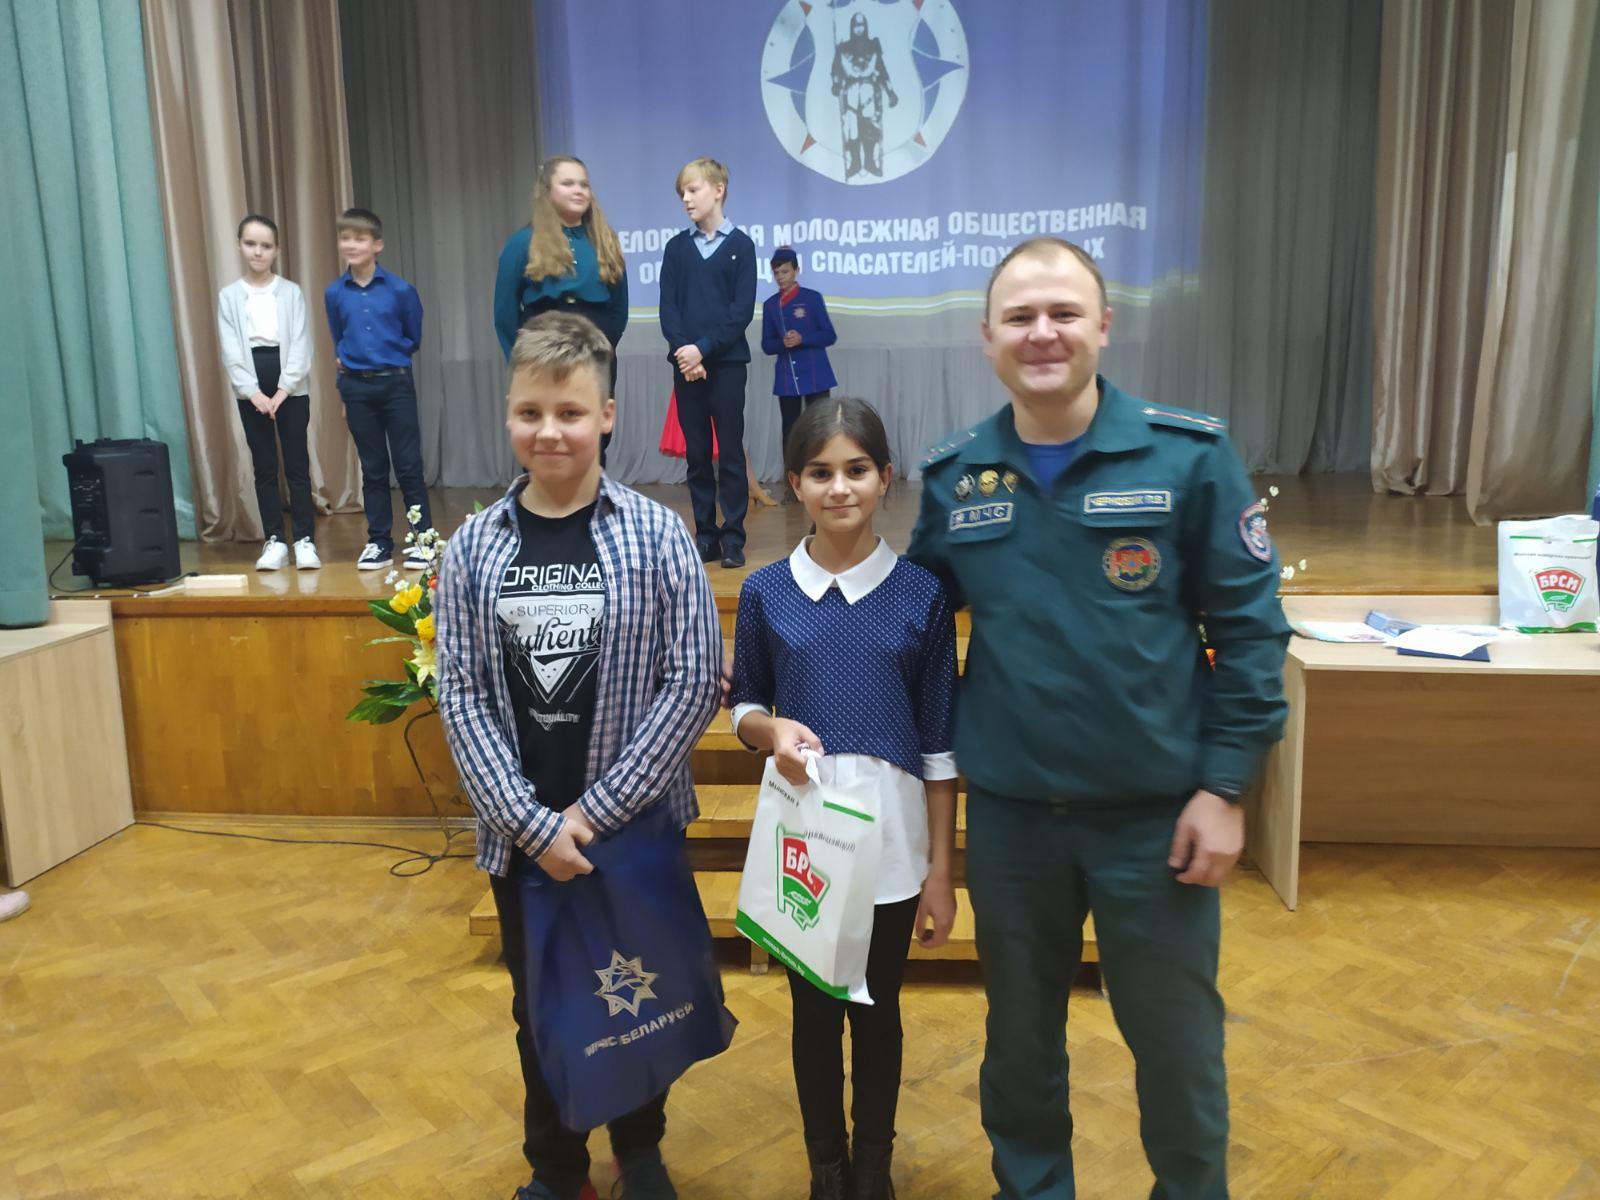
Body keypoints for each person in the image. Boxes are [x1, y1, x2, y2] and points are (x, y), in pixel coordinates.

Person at [906, 237, 1291, 1200]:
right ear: (987, 337)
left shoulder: (1188, 458)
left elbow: (1250, 635)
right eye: (1021, 317)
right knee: (1018, 1048)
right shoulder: (958, 478)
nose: (1043, 333)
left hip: (1155, 824)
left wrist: (1224, 788)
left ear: (1104, 327)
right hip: (1012, 823)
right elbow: (910, 626)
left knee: (1177, 1049)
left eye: (1064, 313)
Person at [435, 312, 723, 1200]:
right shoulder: (474, 547)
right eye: (530, 413)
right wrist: (533, 826)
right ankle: (558, 1170)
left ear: (607, 414)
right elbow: (462, 694)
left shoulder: (658, 535)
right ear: (508, 415)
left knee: (642, 993)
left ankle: (640, 1149)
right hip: (521, 840)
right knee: (540, 1006)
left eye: (569, 412)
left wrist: (592, 817)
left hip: (629, 832)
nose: (549, 431)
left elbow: (694, 679)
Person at [730, 398, 958, 1200]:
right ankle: (826, 1167)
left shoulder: (921, 595)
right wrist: (771, 730)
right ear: (794, 483)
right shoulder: (766, 592)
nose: (839, 487)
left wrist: (940, 871)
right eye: (820, 472)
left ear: (885, 477)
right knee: (816, 1013)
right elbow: (743, 705)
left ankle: (873, 1168)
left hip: (894, 845)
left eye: (856, 469)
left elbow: (939, 746)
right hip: (805, 840)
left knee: (877, 1009)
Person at [493, 156, 627, 463]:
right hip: (542, 349)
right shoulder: (522, 242)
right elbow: (504, 312)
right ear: (547, 190)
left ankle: (592, 491)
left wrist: (602, 348)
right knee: (546, 432)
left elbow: (619, 308)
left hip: (595, 349)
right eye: (568, 183)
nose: (578, 190)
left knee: (592, 433)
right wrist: (523, 362)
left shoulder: (605, 241)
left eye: (584, 184)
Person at [659, 157, 757, 568]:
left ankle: (733, 537)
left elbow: (740, 312)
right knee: (697, 454)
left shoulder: (741, 246)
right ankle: (706, 535)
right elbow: (669, 309)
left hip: (727, 365)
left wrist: (703, 349)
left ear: (718, 190)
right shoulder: (676, 248)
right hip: (686, 367)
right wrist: (687, 353)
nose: (686, 199)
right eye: (681, 192)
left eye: (693, 189)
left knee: (730, 453)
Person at [324, 207, 430, 571]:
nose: (351, 245)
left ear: (377, 245)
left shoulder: (400, 290)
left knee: (408, 465)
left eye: (360, 238)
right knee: (372, 468)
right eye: (345, 238)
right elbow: (339, 337)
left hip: (395, 383)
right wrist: (347, 383)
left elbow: (412, 336)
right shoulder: (334, 293)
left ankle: (423, 539)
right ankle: (379, 541)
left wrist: (387, 356)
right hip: (356, 387)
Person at [216, 214, 318, 570]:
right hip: (251, 385)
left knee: (297, 465)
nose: (257, 252)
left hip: (291, 385)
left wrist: (283, 390)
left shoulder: (291, 292)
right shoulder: (229, 296)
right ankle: (275, 540)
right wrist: (253, 393)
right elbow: (231, 350)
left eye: (265, 245)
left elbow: (301, 344)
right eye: (250, 244)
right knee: (264, 465)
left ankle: (304, 540)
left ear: (276, 250)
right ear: (239, 246)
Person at [760, 246, 837, 476]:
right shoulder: (770, 305)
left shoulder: (812, 298)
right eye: (776, 273)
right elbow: (767, 345)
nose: (780, 277)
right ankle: (792, 479)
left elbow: (829, 336)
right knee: (791, 432)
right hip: (787, 377)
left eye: (785, 272)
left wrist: (803, 339)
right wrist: (782, 343)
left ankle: (823, 475)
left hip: (816, 374)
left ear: (796, 270)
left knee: (820, 428)